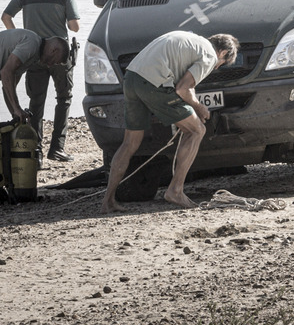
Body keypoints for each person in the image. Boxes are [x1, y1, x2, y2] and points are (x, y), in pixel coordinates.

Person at [101, 31, 239, 214]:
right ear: (222, 53)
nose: (216, 68)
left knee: (130, 142)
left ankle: (108, 201)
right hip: (153, 83)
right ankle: (176, 190)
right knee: (197, 130)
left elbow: (188, 86)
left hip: (132, 78)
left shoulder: (193, 41)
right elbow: (183, 88)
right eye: (221, 65)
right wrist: (199, 108)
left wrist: (188, 108)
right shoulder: (210, 55)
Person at [0, 28, 69, 206]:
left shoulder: (32, 55)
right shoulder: (32, 43)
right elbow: (6, 73)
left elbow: (9, 85)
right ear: (54, 50)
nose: (50, 66)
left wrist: (16, 114)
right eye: (55, 61)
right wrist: (16, 109)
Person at [1, 0, 80, 162]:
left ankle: (36, 151)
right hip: (59, 55)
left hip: (34, 54)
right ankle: (57, 149)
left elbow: (6, 17)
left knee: (36, 101)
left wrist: (20, 39)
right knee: (64, 98)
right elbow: (74, 27)